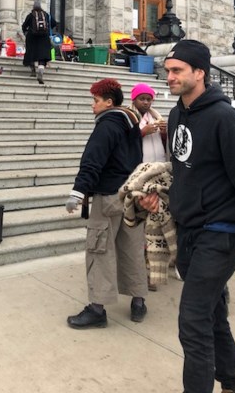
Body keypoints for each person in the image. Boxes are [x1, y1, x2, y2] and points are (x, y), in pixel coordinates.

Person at [139, 39, 235, 393]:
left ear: (200, 73)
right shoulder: (178, 114)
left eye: (177, 70)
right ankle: (232, 384)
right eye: (167, 71)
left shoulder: (227, 119)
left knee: (192, 321)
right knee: (211, 315)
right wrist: (160, 199)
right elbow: (184, 172)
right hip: (190, 231)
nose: (169, 77)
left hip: (222, 233)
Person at [65, 78, 147, 329]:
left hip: (108, 195)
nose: (92, 105)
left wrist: (78, 192)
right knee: (132, 247)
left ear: (108, 102)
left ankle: (97, 308)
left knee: (99, 250)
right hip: (131, 194)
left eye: (96, 100)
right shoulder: (131, 123)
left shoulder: (107, 126)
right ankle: (138, 301)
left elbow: (92, 160)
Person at [129, 82, 173, 291]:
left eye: (149, 99)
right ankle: (140, 272)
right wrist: (141, 132)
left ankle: (151, 269)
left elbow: (165, 145)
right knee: (140, 225)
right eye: (142, 99)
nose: (146, 102)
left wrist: (165, 132)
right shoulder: (129, 117)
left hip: (156, 174)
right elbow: (124, 142)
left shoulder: (157, 117)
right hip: (138, 175)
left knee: (153, 224)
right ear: (134, 99)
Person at [21, 0, 55, 83]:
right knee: (42, 57)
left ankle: (33, 71)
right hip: (44, 38)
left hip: (32, 38)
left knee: (31, 54)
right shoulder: (46, 15)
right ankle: (40, 71)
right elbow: (54, 24)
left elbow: (24, 26)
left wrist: (26, 33)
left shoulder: (30, 15)